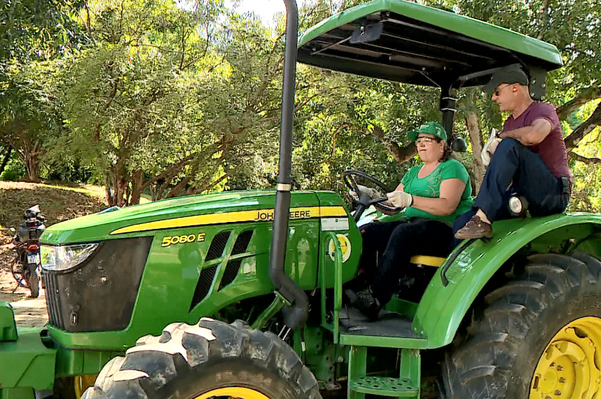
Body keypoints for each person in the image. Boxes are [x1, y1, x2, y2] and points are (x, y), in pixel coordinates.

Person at [349, 122, 473, 320]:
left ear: (442, 145)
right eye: (418, 140)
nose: (421, 144)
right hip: (413, 225)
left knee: (403, 233)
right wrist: (371, 196)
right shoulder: (413, 173)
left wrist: (412, 199)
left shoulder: (452, 168)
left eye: (427, 140)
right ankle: (359, 285)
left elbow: (447, 206)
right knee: (368, 232)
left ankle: (377, 298)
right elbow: (392, 205)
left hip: (443, 229)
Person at [454, 65, 571, 240]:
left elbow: (533, 135)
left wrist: (502, 138)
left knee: (508, 145)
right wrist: (493, 159)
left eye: (497, 92)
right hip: (521, 195)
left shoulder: (544, 110)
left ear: (514, 88)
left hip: (552, 194)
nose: (494, 98)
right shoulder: (509, 123)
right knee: (462, 221)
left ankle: (483, 220)